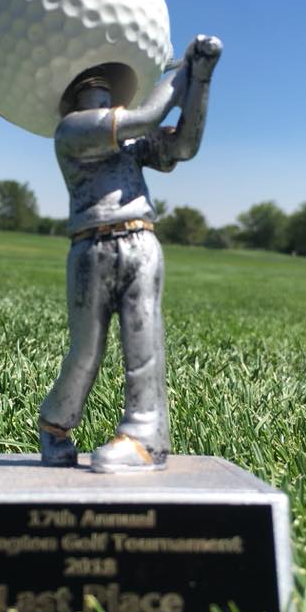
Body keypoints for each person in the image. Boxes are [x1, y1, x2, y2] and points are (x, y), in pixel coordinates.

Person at [38, 35, 223, 473]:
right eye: (94, 94)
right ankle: (56, 422)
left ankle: (146, 436)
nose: (101, 100)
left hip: (141, 241)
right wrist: (180, 72)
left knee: (145, 340)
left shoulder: (128, 146)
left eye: (106, 93)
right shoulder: (72, 131)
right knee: (86, 349)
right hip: (91, 246)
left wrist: (201, 79)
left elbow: (183, 145)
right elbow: (150, 115)